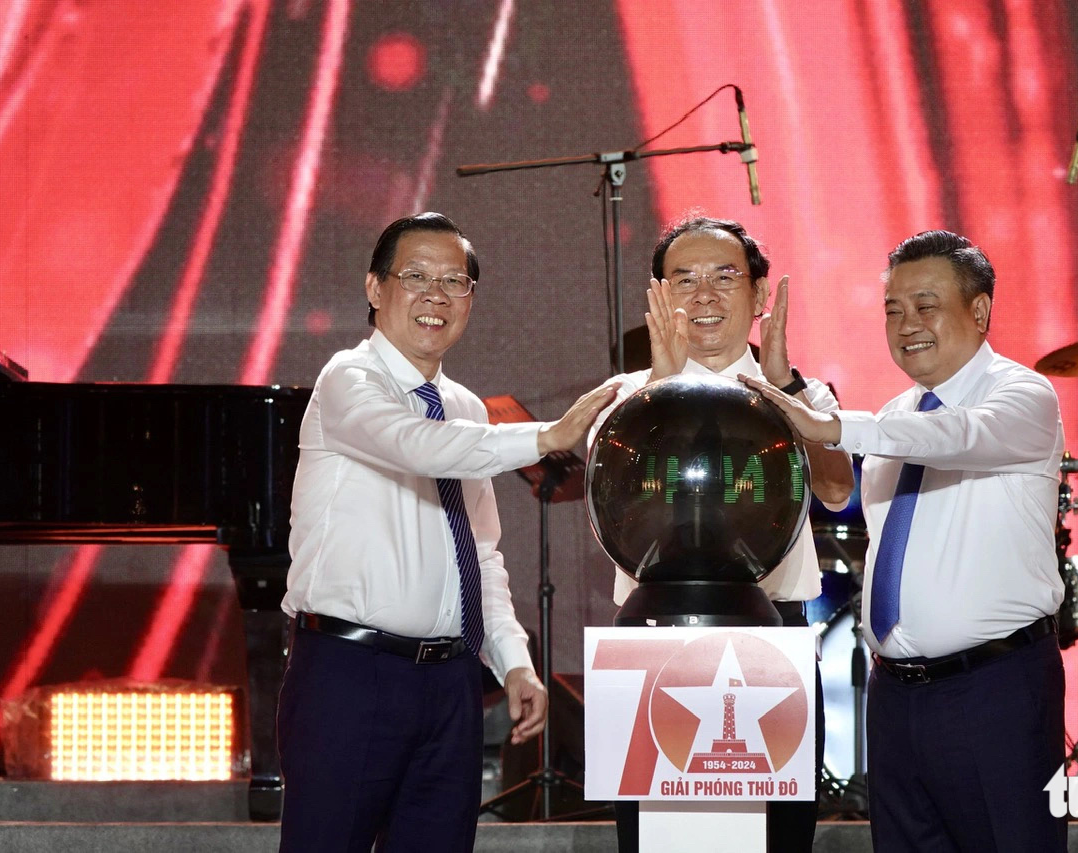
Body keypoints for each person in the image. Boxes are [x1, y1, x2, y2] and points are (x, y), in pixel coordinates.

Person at [277, 212, 618, 852]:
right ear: (375, 289)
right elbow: (419, 447)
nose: (437, 296)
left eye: (455, 282)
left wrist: (514, 661)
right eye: (417, 277)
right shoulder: (348, 380)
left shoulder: (464, 409)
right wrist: (547, 437)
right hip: (350, 672)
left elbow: (479, 554)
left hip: (450, 682)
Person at [746, 230, 1067, 852]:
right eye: (893, 309)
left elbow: (957, 435)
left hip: (995, 688)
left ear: (979, 311)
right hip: (896, 697)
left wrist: (836, 421)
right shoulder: (897, 416)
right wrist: (789, 389)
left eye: (926, 305)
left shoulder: (1023, 396)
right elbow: (837, 490)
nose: (906, 323)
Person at [590, 215, 856, 853]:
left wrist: (786, 389)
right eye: (684, 280)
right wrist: (659, 383)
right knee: (659, 842)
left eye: (724, 277)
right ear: (659, 296)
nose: (703, 295)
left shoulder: (800, 390)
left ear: (760, 296)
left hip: (773, 638)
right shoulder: (624, 398)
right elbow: (616, 509)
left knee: (774, 840)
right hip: (651, 642)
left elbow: (839, 490)